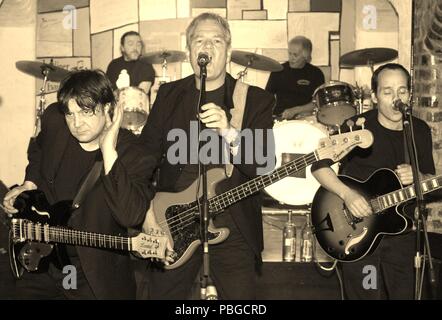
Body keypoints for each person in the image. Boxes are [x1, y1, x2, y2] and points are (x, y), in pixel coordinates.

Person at [138, 12, 275, 300]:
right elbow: (144, 158)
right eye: (199, 40)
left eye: (216, 40)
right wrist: (146, 214)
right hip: (171, 222)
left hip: (232, 225)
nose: (208, 47)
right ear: (189, 51)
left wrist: (229, 131)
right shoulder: (168, 95)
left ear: (228, 51)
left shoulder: (255, 100)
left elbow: (263, 165)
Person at [2, 69, 155, 299]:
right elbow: (38, 149)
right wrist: (29, 184)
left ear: (107, 108)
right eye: (70, 114)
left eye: (85, 112)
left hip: (91, 271)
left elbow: (130, 215)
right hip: (42, 259)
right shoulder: (55, 120)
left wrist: (109, 151)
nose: (76, 123)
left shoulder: (136, 154)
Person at [311, 63, 436, 299]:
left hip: (402, 233)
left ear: (409, 94)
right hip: (358, 231)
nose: (396, 98)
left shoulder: (418, 130)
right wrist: (348, 195)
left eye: (402, 91)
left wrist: (419, 178)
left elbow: (430, 182)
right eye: (388, 92)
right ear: (375, 96)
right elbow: (318, 167)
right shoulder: (356, 127)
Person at [265, 36, 325, 120]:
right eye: (289, 53)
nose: (291, 58)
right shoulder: (278, 70)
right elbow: (266, 97)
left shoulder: (316, 73)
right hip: (281, 118)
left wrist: (296, 110)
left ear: (305, 56)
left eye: (295, 55)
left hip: (306, 118)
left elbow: (319, 102)